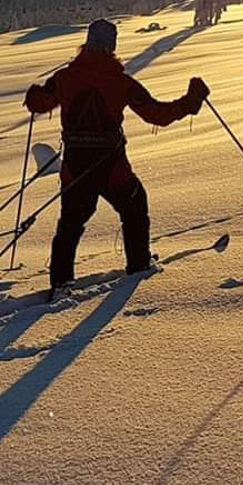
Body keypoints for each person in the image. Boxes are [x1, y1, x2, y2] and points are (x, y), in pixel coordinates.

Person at [24, 19, 211, 300]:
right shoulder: (121, 82)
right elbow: (156, 114)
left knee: (71, 223)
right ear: (112, 47)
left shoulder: (64, 78)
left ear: (86, 44)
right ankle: (138, 266)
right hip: (112, 167)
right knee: (135, 208)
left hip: (75, 168)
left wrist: (34, 94)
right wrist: (191, 101)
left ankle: (61, 284)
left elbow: (39, 104)